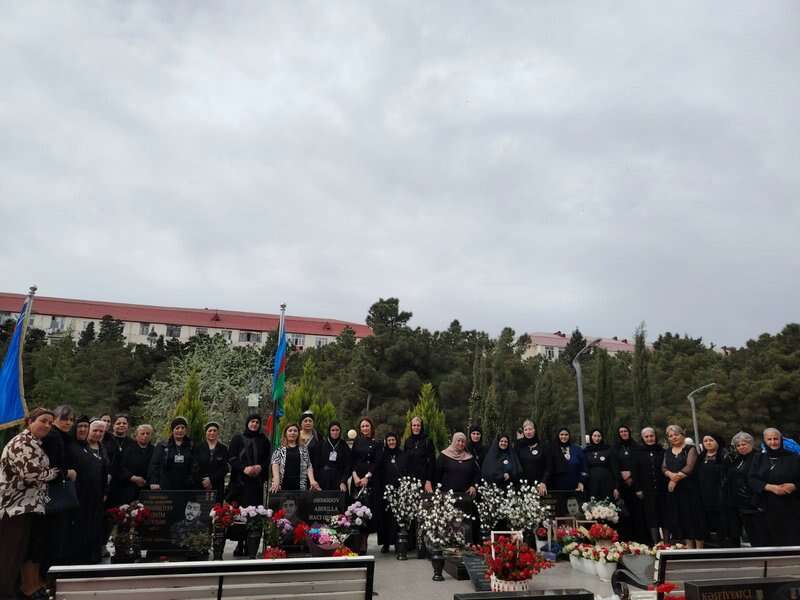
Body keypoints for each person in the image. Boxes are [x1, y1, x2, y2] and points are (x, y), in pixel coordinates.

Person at [0, 408, 59, 600]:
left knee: (18, 554)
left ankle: (11, 591)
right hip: (13, 508)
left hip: (27, 506)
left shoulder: (34, 443)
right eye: (43, 420)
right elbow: (31, 474)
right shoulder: (22, 442)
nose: (47, 425)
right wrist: (56, 473)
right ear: (30, 421)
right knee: (9, 555)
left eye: (50, 423)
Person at [41, 406, 79, 570]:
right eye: (64, 419)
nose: (68, 423)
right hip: (52, 492)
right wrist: (67, 472)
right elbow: (51, 465)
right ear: (55, 418)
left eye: (71, 420)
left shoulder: (63, 437)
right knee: (53, 535)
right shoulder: (53, 436)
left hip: (57, 491)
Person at [749, 428, 800, 546]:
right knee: (769, 541)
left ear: (781, 440)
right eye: (769, 439)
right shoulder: (758, 458)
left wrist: (794, 486)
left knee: (791, 540)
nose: (773, 442)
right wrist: (770, 487)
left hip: (790, 506)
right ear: (764, 441)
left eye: (776, 439)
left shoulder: (794, 457)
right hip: (766, 506)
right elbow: (752, 479)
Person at [662, 424, 706, 547]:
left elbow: (689, 467)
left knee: (694, 518)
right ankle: (689, 548)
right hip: (676, 492)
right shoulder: (667, 451)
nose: (674, 437)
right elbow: (664, 467)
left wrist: (674, 480)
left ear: (682, 435)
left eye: (676, 434)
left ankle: (700, 550)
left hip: (690, 489)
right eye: (670, 436)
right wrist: (670, 475)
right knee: (683, 519)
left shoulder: (690, 449)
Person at [74, 419, 111, 564]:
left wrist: (105, 491)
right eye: (95, 430)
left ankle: (94, 556)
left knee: (96, 525)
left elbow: (105, 472)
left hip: (98, 493)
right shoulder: (80, 447)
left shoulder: (102, 448)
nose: (98, 433)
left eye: (101, 431)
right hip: (82, 493)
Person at [722, 431, 760, 547]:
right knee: (737, 533)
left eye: (744, 444)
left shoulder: (758, 457)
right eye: (738, 445)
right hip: (736, 501)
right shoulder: (737, 459)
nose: (741, 447)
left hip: (752, 503)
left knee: (755, 534)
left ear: (751, 444)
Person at [227, 414, 271, 506]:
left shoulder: (264, 440)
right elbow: (231, 458)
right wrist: (244, 468)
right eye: (252, 421)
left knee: (256, 509)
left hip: (257, 482)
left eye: (257, 422)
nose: (255, 424)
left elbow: (269, 458)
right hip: (239, 481)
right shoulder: (237, 439)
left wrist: (260, 467)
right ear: (247, 423)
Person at [634, 427, 667, 545]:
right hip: (647, 490)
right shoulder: (638, 453)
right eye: (646, 437)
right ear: (643, 438)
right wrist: (638, 489)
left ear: (655, 436)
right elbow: (636, 472)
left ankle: (666, 542)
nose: (649, 439)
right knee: (651, 516)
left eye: (651, 436)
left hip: (663, 489)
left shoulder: (662, 451)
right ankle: (655, 543)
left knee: (665, 516)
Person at [350, 417, 383, 532]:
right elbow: (352, 460)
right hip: (357, 480)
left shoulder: (377, 442)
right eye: (363, 426)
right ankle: (358, 538)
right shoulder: (357, 441)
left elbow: (377, 462)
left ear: (371, 427)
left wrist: (367, 477)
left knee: (369, 510)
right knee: (356, 509)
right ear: (360, 429)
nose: (365, 428)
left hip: (371, 480)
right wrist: (355, 476)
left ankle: (367, 537)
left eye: (367, 426)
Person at [614, 425, 644, 542]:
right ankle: (625, 539)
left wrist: (631, 474)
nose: (623, 433)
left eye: (625, 431)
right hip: (621, 485)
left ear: (629, 432)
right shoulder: (615, 447)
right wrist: (621, 476)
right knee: (623, 513)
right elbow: (613, 464)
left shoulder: (636, 447)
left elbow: (639, 463)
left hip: (635, 484)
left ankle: (639, 540)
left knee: (637, 512)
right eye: (621, 431)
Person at [148, 417, 195, 491]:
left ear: (186, 430)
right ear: (172, 430)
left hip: (186, 487)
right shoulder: (163, 446)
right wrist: (154, 481)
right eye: (177, 428)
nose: (180, 430)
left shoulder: (192, 446)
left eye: (182, 428)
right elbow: (154, 465)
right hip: (166, 485)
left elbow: (195, 465)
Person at [270, 423, 320, 492]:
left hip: (300, 486)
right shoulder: (279, 450)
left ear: (298, 434)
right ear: (285, 433)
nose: (292, 433)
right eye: (290, 430)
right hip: (282, 486)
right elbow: (275, 464)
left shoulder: (304, 450)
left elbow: (309, 466)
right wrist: (276, 479)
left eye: (295, 431)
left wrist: (312, 481)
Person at [696, 434, 726, 544]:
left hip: (719, 495)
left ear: (717, 441)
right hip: (703, 495)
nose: (708, 443)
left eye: (711, 440)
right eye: (705, 441)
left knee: (721, 523)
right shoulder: (700, 457)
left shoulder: (724, 456)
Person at [376, 432, 404, 553]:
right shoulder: (383, 454)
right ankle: (386, 543)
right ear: (386, 442)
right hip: (385, 490)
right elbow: (378, 471)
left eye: (393, 440)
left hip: (399, 489)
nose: (391, 442)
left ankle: (397, 542)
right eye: (389, 440)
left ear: (396, 441)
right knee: (385, 518)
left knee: (397, 518)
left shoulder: (402, 454)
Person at [194, 421, 229, 502]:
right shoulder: (198, 448)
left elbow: (225, 468)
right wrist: (203, 480)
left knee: (216, 509)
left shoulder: (223, 448)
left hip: (217, 486)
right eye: (210, 430)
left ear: (218, 433)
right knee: (201, 508)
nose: (212, 433)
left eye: (214, 430)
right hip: (200, 486)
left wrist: (211, 480)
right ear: (206, 433)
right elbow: (194, 466)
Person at [312, 421, 351, 492]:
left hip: (339, 480)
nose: (335, 432)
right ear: (329, 431)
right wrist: (316, 481)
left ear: (340, 431)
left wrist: (343, 481)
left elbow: (348, 465)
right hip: (323, 480)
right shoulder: (321, 444)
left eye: (337, 430)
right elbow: (316, 465)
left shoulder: (344, 445)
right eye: (332, 430)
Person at [106, 414, 135, 508]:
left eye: (124, 423)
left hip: (127, 485)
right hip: (110, 483)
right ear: (113, 426)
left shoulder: (132, 443)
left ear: (128, 426)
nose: (121, 425)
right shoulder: (106, 440)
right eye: (118, 423)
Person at [548, 428, 588, 493]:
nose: (564, 437)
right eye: (561, 434)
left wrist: (581, 482)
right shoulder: (552, 449)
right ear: (558, 436)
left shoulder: (577, 449)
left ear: (569, 436)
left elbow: (584, 467)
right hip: (557, 488)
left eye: (566, 435)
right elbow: (548, 468)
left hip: (576, 487)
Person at [585, 429, 620, 502]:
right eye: (595, 436)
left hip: (607, 483)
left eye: (599, 436)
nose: (597, 438)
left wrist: (616, 487)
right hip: (591, 484)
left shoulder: (609, 449)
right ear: (591, 437)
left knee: (607, 504)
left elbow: (615, 469)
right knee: (593, 504)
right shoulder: (586, 451)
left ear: (602, 437)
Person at [402, 416, 435, 493]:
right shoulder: (408, 441)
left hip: (424, 481)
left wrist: (428, 480)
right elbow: (405, 461)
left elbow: (432, 462)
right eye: (414, 425)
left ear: (421, 427)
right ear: (411, 427)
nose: (416, 427)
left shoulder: (427, 441)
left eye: (418, 425)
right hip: (410, 480)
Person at [515, 420, 548, 494]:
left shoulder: (543, 446)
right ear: (523, 432)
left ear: (535, 430)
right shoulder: (518, 446)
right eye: (526, 430)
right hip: (523, 487)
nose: (528, 432)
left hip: (541, 487)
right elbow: (516, 466)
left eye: (530, 429)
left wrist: (543, 482)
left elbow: (549, 466)